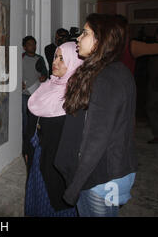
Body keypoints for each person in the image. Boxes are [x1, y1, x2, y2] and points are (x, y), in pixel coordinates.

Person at [55, 14, 137, 217]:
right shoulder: (104, 72)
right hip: (96, 174)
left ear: (102, 40)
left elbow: (96, 140)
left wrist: (75, 186)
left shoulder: (107, 78)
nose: (78, 38)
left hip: (98, 178)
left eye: (85, 33)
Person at [24, 41, 83, 217]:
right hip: (38, 159)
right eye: (55, 57)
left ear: (74, 62)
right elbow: (33, 122)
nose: (55, 62)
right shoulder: (47, 86)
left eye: (62, 59)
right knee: (37, 199)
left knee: (54, 203)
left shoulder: (76, 97)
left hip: (58, 166)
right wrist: (27, 148)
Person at [22, 36, 48, 173]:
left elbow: (45, 72)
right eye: (30, 44)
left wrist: (43, 76)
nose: (33, 46)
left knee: (34, 121)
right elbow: (14, 72)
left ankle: (33, 143)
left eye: (34, 44)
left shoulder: (39, 59)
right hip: (23, 94)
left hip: (36, 94)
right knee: (24, 120)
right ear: (24, 47)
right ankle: (24, 147)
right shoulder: (20, 58)